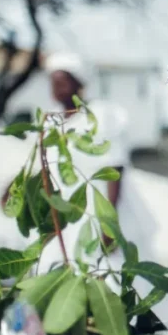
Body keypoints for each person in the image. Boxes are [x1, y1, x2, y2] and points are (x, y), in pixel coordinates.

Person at [37, 52, 130, 263]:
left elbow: (114, 170)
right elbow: (40, 166)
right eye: (54, 82)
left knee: (101, 270)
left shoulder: (99, 115)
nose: (57, 87)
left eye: (63, 81)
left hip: (95, 210)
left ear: (78, 83)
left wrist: (108, 224)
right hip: (64, 213)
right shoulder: (50, 121)